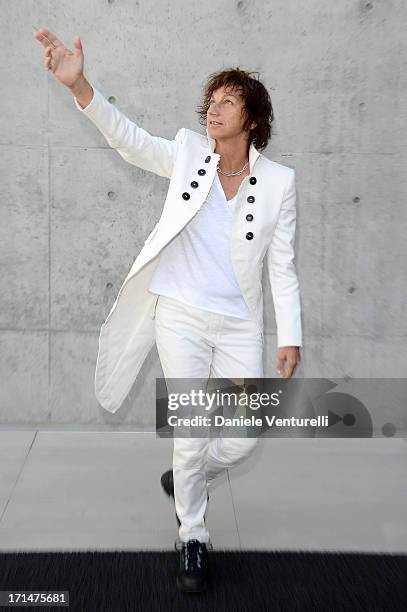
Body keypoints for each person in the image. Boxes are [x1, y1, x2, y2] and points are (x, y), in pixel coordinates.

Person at [33, 28, 302, 593]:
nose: (214, 109)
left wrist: (289, 336)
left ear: (252, 118)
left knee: (245, 434)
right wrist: (79, 84)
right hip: (178, 312)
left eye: (228, 101)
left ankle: (189, 477)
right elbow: (129, 140)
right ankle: (193, 536)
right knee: (191, 428)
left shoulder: (279, 183)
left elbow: (282, 266)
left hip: (239, 322)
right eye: (212, 101)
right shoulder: (185, 151)